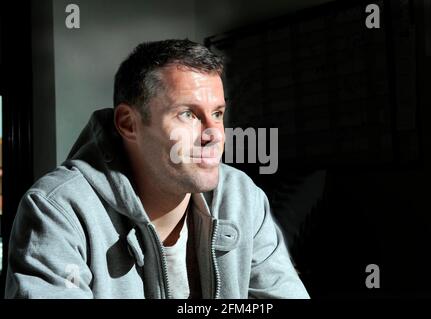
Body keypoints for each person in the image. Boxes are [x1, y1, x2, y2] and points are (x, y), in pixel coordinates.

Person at [5, 39, 309, 299]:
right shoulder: (57, 209)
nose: (214, 133)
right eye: (188, 114)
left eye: (217, 113)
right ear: (128, 123)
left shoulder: (242, 196)